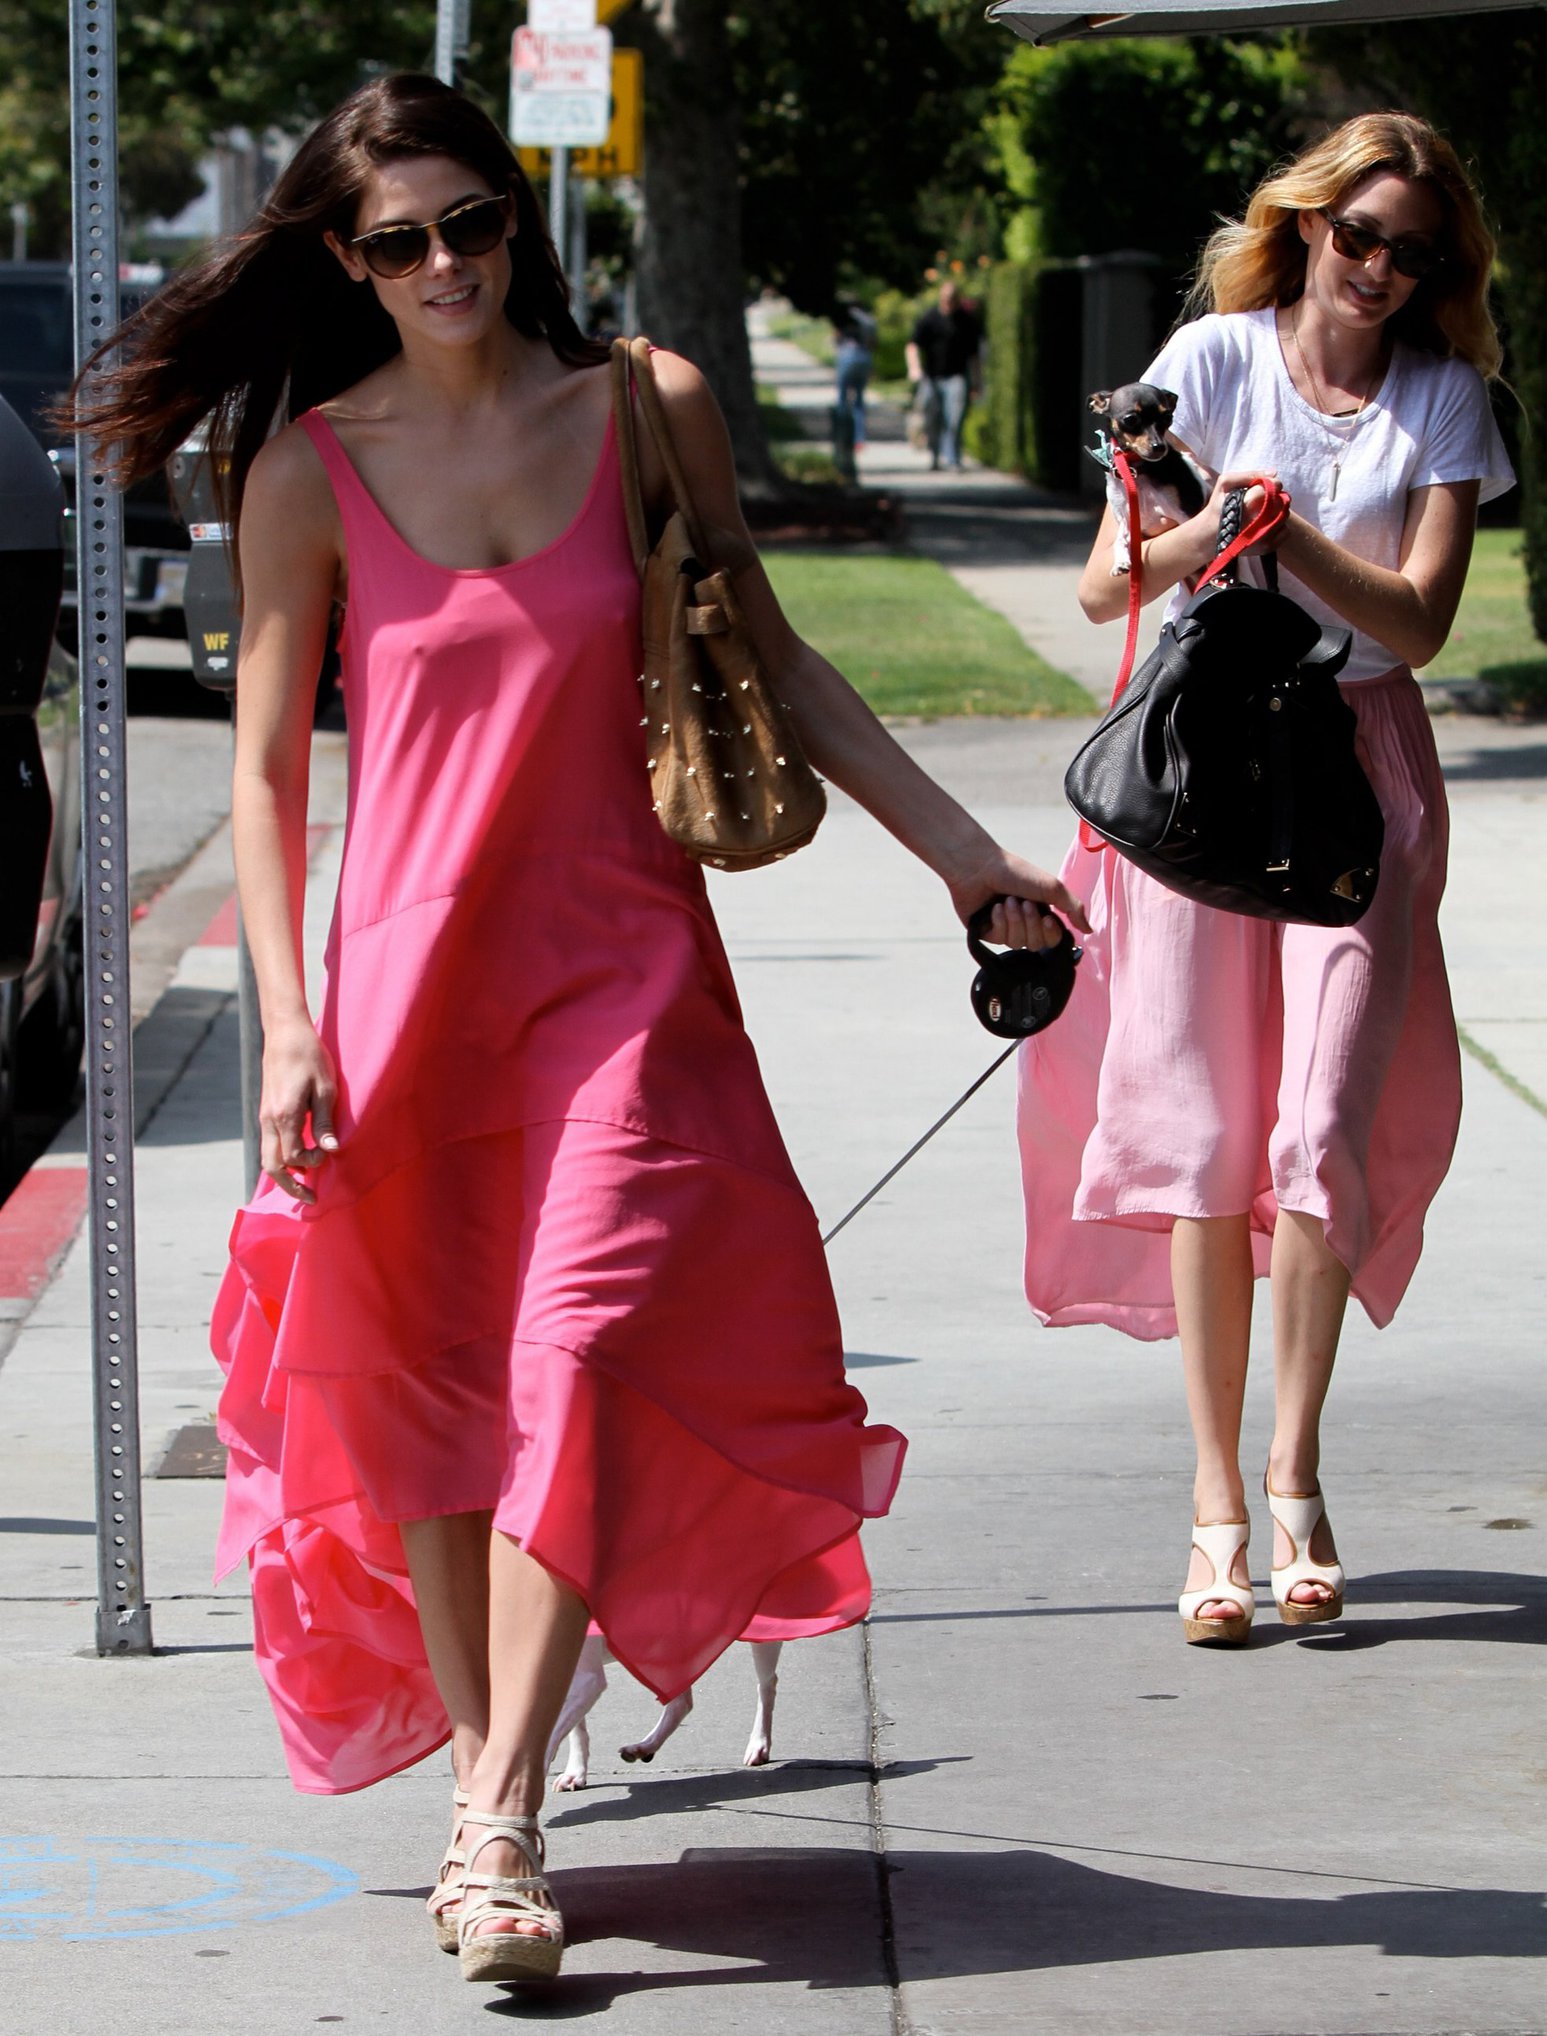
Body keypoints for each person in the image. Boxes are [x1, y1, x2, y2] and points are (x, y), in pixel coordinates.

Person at [65, 75, 1082, 1986]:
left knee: (587, 1351)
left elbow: (773, 659)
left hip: (624, 983)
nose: (445, 264)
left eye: (469, 222)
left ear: (511, 221)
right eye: (398, 240)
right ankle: (486, 1784)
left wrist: (963, 863)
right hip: (404, 994)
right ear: (344, 263)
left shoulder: (640, 407)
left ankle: (502, 1803)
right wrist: (290, 1027)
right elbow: (269, 786)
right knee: (439, 1404)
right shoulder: (307, 472)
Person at [1018, 112, 1512, 1647]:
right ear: (1302, 226)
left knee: (1314, 1132)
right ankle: (1213, 1508)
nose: (1374, 269)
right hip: (1204, 766)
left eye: (1409, 252)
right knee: (1205, 1129)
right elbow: (1110, 580)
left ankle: (1294, 1484)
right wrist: (1205, 526)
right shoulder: (1212, 359)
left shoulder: (1444, 398)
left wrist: (1278, 537)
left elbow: (1419, 624)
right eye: (1354, 235)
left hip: (1357, 769)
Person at [906, 279, 981, 470]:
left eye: (953, 298)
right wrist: (914, 368)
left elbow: (974, 356)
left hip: (956, 377)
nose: (949, 302)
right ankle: (935, 456)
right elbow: (913, 345)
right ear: (941, 298)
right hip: (932, 377)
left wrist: (976, 382)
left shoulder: (966, 321)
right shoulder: (930, 318)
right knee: (932, 419)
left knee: (954, 419)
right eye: (946, 298)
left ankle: (953, 458)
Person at [832, 299, 877, 454]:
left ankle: (842, 437)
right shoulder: (869, 320)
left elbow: (837, 339)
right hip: (864, 358)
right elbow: (873, 344)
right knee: (859, 401)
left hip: (846, 357)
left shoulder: (842, 318)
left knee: (843, 399)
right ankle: (859, 439)